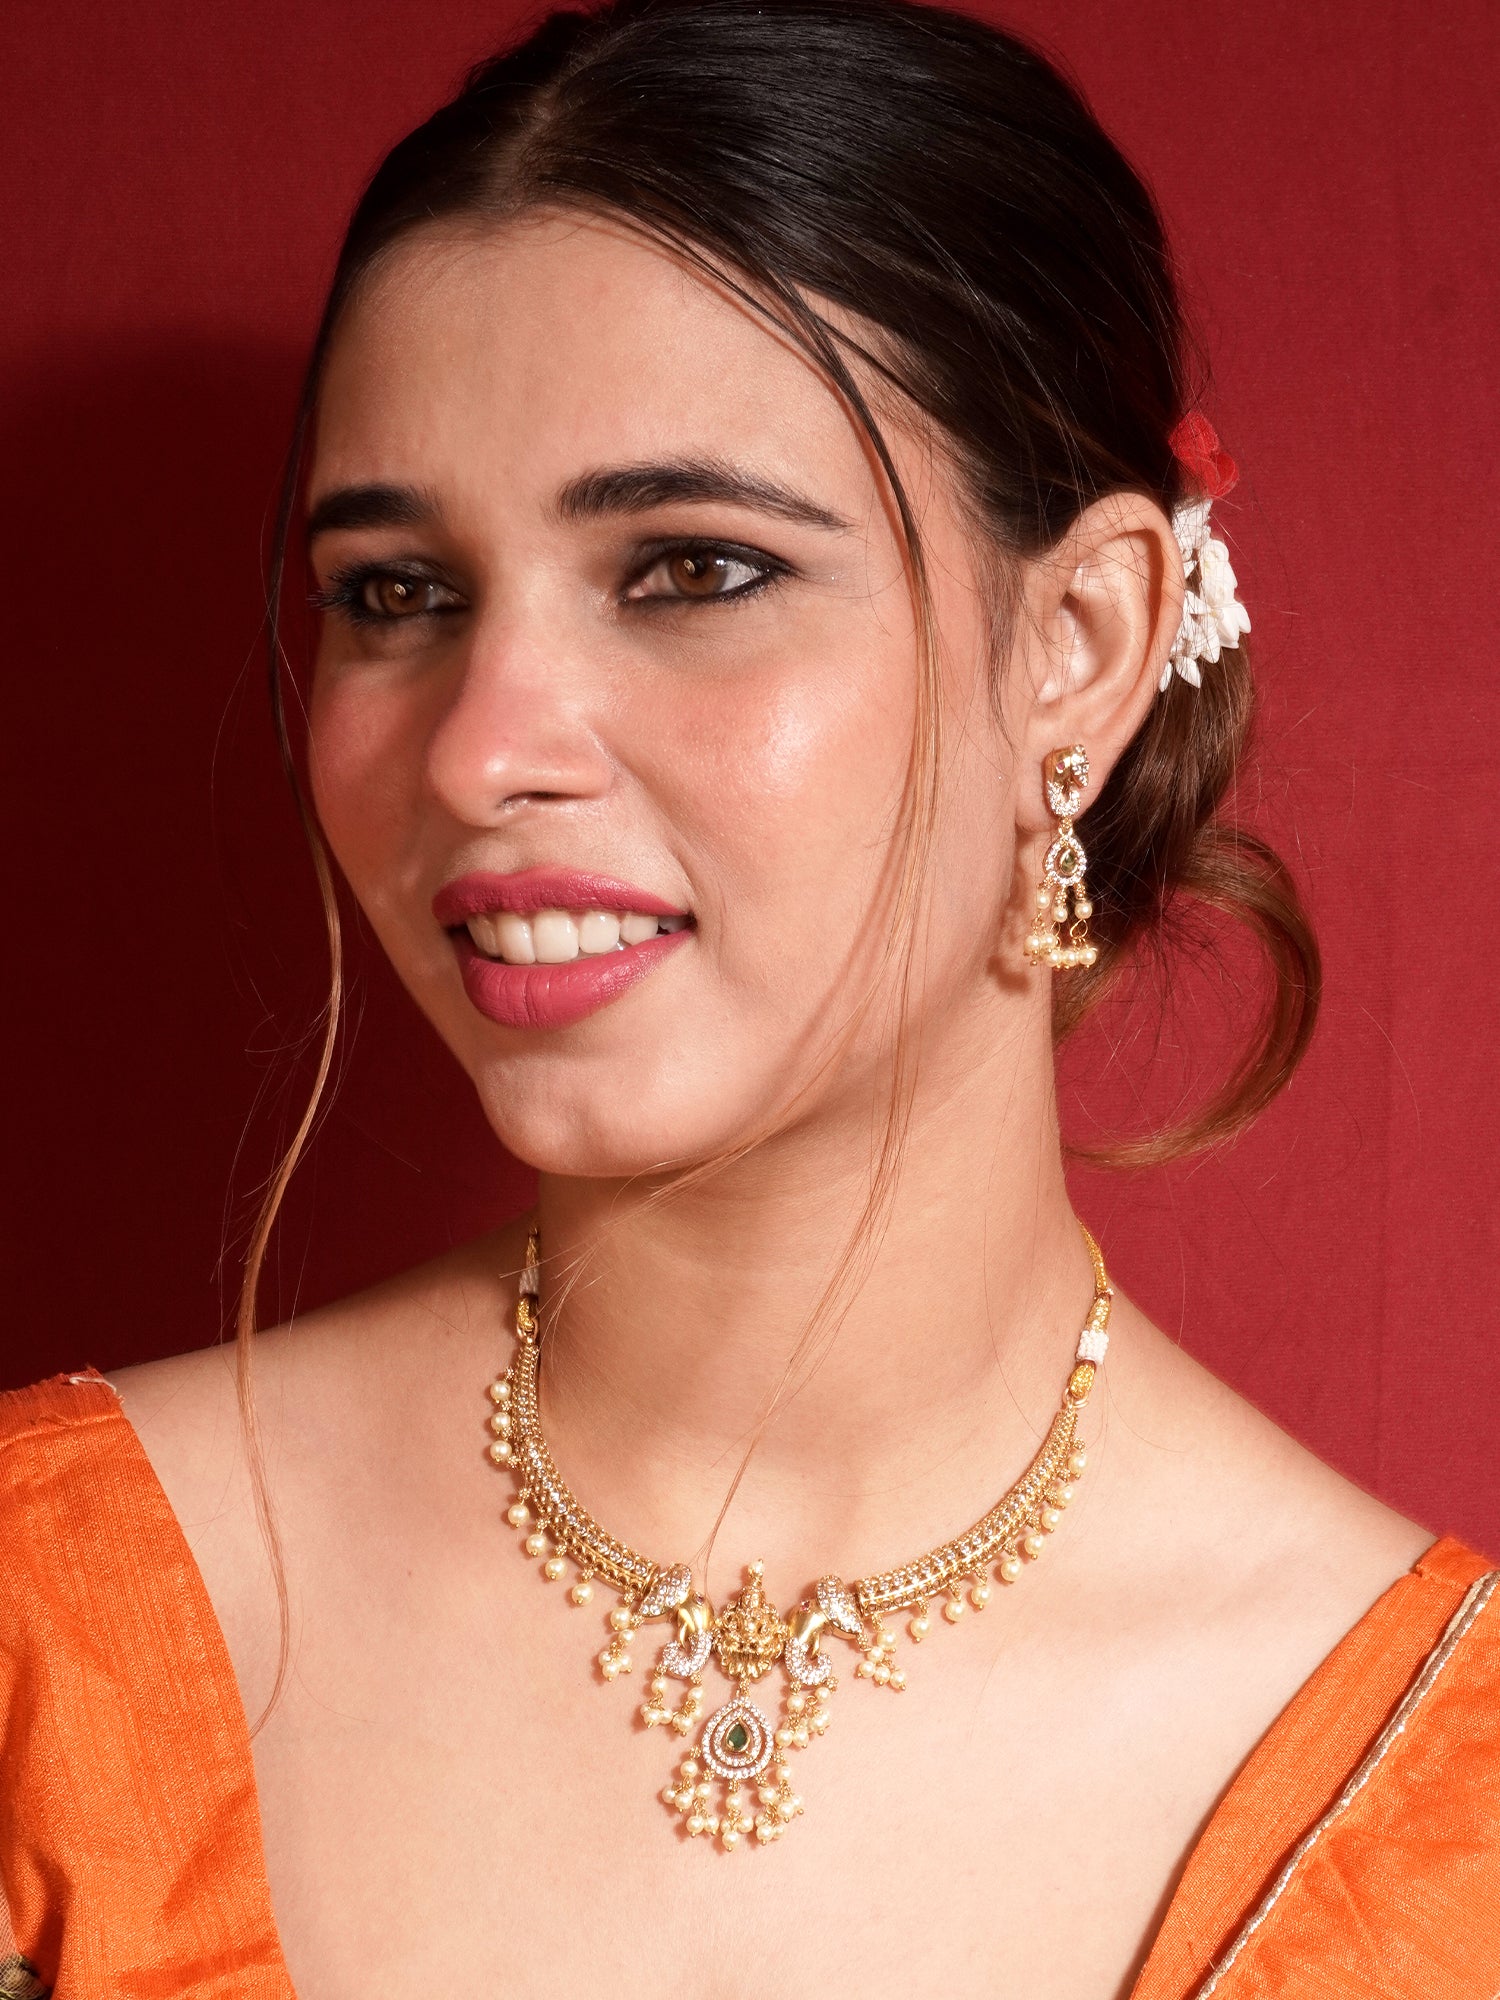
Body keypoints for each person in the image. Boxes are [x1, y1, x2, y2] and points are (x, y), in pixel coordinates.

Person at [2, 2, 1496, 1994]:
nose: (479, 752)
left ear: (1076, 640)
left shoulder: (1448, 1821)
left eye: (692, 571)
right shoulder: (43, 1636)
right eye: (395, 593)